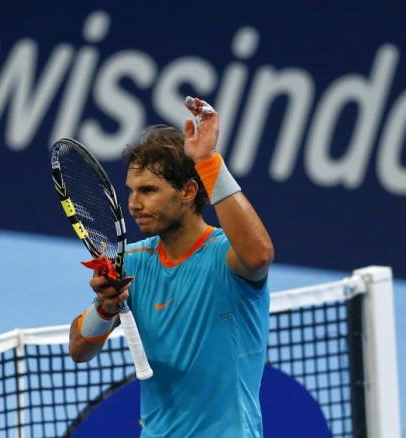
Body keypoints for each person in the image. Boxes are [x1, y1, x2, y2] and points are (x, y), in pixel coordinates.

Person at [68, 96, 274, 437]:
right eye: (131, 191)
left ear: (188, 191)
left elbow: (259, 255)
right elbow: (79, 348)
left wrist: (208, 161)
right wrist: (104, 309)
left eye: (149, 191)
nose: (134, 204)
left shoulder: (227, 258)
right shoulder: (131, 263)